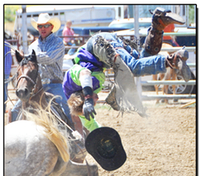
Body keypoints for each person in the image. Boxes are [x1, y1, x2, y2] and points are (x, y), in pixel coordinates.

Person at [62, 7, 191, 132]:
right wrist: (106, 139)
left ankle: (173, 59)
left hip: (98, 45)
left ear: (83, 96)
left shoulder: (72, 82)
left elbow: (85, 73)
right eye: (94, 102)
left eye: (93, 101)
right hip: (105, 50)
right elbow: (90, 125)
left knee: (132, 68)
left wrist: (89, 99)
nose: (96, 100)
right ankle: (159, 23)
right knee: (143, 60)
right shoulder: (80, 106)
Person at [11, 13, 71, 122]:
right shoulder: (32, 46)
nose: (43, 28)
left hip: (54, 84)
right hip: (36, 85)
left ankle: (73, 133)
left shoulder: (58, 43)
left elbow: (49, 58)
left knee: (64, 108)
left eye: (46, 26)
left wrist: (30, 57)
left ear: (51, 27)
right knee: (15, 110)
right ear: (37, 28)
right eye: (40, 26)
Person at [4, 40, 12, 113]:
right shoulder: (8, 45)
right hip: (6, 70)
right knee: (5, 90)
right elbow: (10, 59)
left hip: (6, 70)